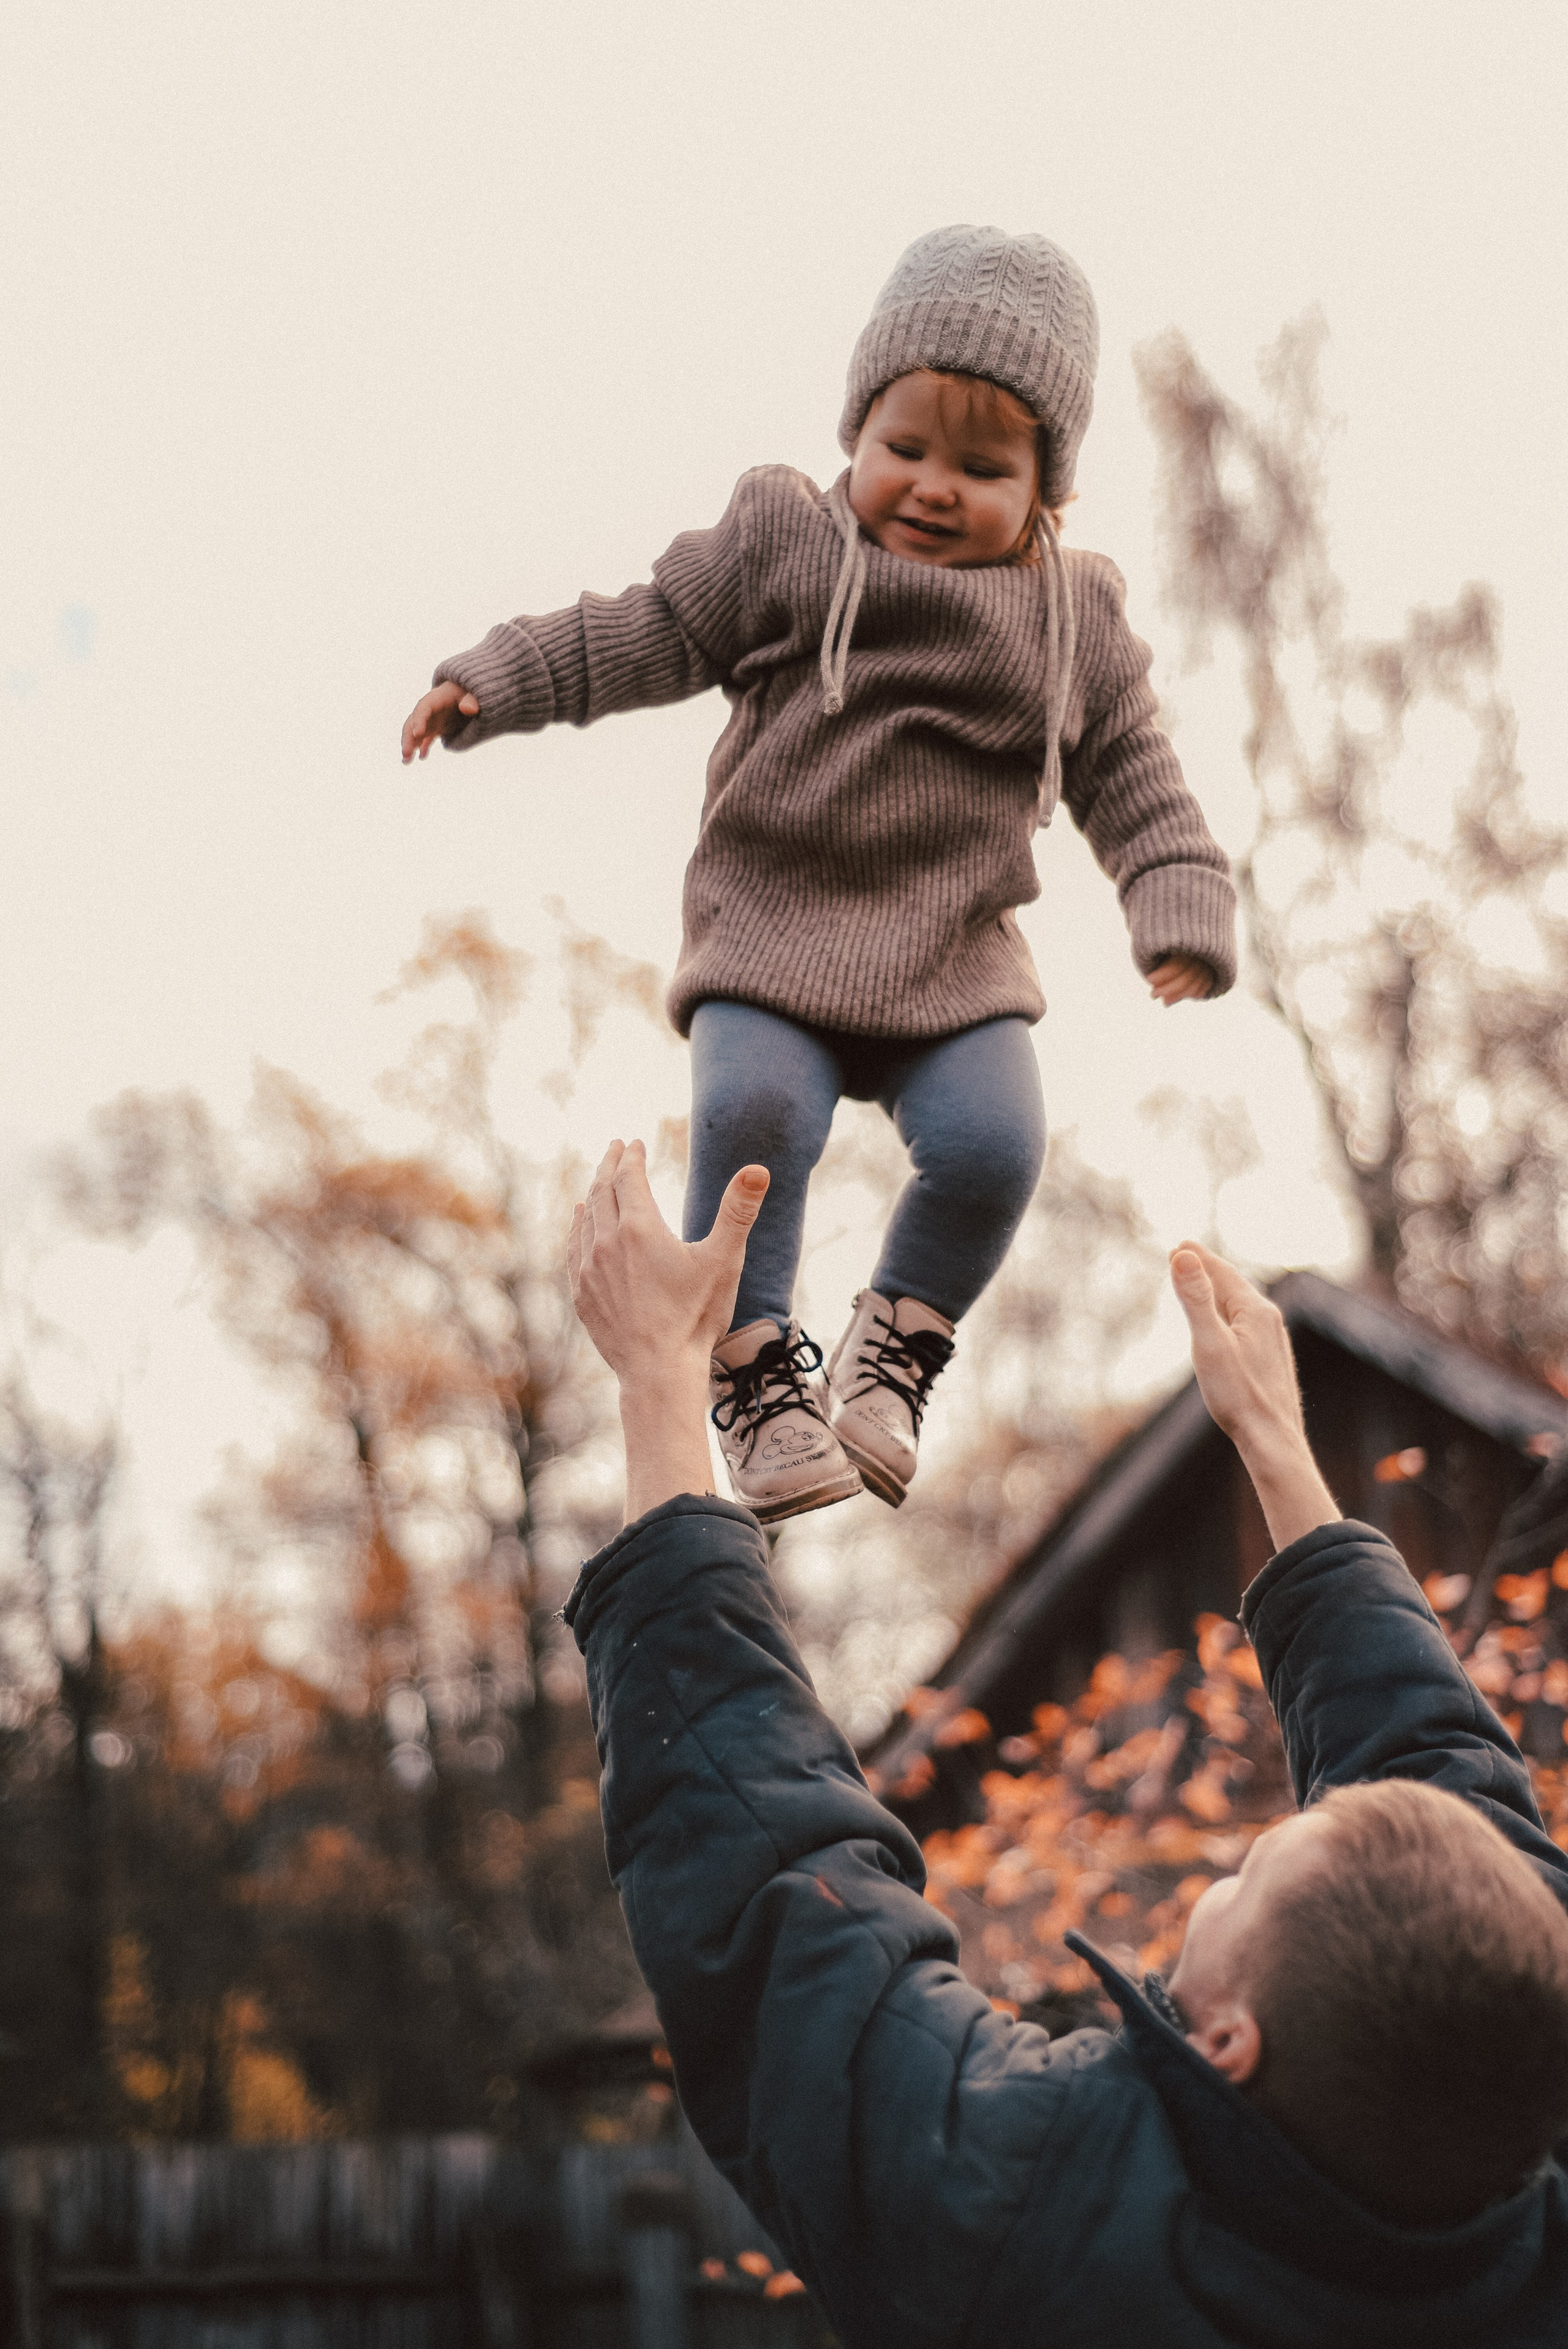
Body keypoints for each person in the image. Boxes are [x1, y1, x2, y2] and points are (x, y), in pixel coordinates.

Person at [562, 1138, 1568, 2347]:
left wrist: (657, 1378)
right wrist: (1278, 1454)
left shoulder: (1034, 2213)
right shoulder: (1513, 2146)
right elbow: (1453, 1823)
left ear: (1228, 2038)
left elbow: (774, 1889)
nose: (1233, 1864)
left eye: (1245, 1876)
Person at [401, 225, 1237, 1525]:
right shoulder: (784, 545)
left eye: (983, 466)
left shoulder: (1070, 623)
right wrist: (494, 680)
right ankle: (752, 1369)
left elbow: (1132, 770)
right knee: (752, 1123)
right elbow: (640, 631)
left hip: (951, 962)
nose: (933, 486)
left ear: (1045, 489)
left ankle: (893, 1349)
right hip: (771, 942)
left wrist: (1174, 898)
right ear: (856, 430)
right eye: (903, 448)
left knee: (994, 1145)